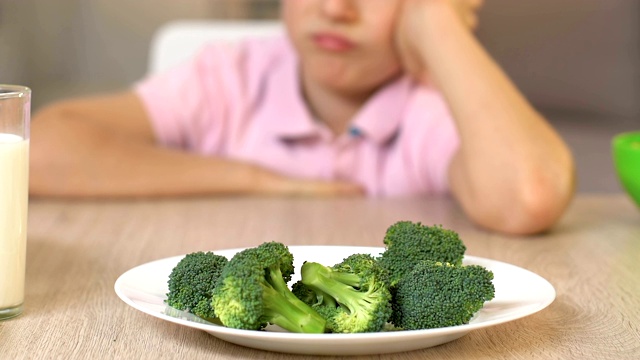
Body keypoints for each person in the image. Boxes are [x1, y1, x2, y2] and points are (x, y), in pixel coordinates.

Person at [29, 0, 575, 235]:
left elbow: (528, 195)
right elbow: (41, 148)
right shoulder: (232, 78)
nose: (336, 7)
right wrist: (256, 181)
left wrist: (438, 27)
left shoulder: (431, 104)